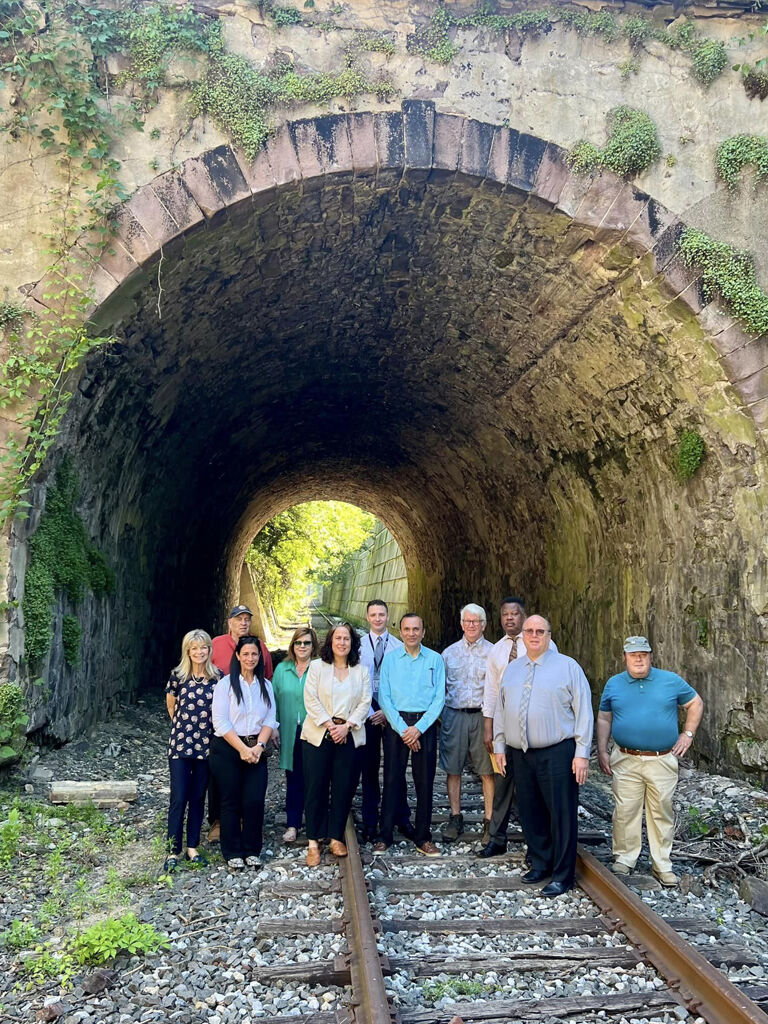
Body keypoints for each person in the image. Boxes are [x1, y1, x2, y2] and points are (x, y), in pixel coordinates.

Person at [493, 615, 593, 896]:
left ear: (549, 635)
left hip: (558, 752)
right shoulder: (512, 669)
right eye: (529, 631)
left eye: (540, 631)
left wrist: (582, 753)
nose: (534, 635)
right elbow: (501, 710)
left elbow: (584, 710)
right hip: (520, 753)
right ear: (522, 635)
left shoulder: (567, 667)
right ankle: (540, 862)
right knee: (530, 811)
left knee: (561, 813)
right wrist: (500, 746)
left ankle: (562, 875)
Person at [597, 636, 704, 887]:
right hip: (625, 758)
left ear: (651, 656)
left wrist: (687, 734)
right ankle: (625, 857)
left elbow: (695, 703)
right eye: (633, 654)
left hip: (662, 759)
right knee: (625, 810)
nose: (638, 659)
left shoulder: (670, 680)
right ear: (624, 657)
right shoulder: (614, 684)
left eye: (643, 654)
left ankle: (662, 864)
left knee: (661, 811)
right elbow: (604, 717)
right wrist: (602, 749)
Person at [480, 596, 557, 857]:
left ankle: (538, 842)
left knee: (533, 788)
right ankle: (496, 838)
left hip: (535, 728)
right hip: (507, 727)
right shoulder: (496, 651)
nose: (509, 618)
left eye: (514, 614)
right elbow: (491, 691)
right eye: (505, 614)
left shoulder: (543, 644)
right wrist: (489, 727)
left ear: (523, 616)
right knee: (503, 784)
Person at [301, 622, 371, 867]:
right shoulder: (317, 667)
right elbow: (310, 698)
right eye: (338, 638)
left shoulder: (360, 671)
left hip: (349, 734)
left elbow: (365, 701)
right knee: (315, 787)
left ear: (352, 643)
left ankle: (334, 836)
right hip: (319, 734)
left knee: (344, 787)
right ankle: (313, 841)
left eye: (346, 639)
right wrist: (331, 726)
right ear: (330, 641)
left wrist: (347, 726)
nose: (342, 642)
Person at [376, 612, 445, 856]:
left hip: (423, 725)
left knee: (424, 782)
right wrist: (403, 729)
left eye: (416, 629)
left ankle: (423, 837)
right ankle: (384, 835)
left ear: (423, 632)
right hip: (398, 726)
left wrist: (419, 729)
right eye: (407, 629)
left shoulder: (435, 660)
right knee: (392, 780)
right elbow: (384, 696)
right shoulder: (391, 659)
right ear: (401, 632)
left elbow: (439, 698)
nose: (412, 633)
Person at [210, 634, 277, 869]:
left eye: (254, 654)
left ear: (260, 657)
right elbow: (220, 721)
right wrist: (242, 749)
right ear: (237, 656)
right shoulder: (225, 684)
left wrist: (258, 747)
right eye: (246, 654)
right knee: (230, 801)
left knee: (255, 800)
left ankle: (252, 849)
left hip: (256, 748)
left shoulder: (265, 686)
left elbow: (270, 718)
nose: (250, 658)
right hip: (228, 748)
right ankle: (232, 851)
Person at [163, 629, 220, 872]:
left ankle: (193, 847)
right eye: (194, 648)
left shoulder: (218, 678)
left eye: (203, 647)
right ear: (188, 651)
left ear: (209, 649)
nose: (199, 652)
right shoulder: (178, 676)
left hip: (206, 747)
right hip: (180, 746)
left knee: (198, 798)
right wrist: (184, 728)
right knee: (179, 797)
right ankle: (172, 850)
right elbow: (171, 706)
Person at [358, 599, 412, 844]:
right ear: (367, 617)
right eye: (373, 614)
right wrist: (370, 711)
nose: (378, 618)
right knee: (368, 769)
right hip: (366, 711)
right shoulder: (358, 646)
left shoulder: (399, 647)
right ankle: (370, 820)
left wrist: (388, 712)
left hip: (393, 712)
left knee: (396, 767)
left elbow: (403, 684)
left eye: (382, 614)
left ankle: (401, 816)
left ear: (388, 616)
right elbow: (355, 682)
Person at [440, 604, 495, 843]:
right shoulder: (448, 654)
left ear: (484, 625)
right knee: (453, 768)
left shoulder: (494, 653)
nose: (472, 625)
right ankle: (455, 816)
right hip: (454, 714)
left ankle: (489, 821)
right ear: (461, 624)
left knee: (487, 770)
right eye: (468, 621)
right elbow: (439, 688)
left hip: (482, 716)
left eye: (477, 621)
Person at [272, 626, 319, 843]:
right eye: (298, 643)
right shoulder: (282, 669)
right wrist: (273, 727)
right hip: (290, 730)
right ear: (293, 645)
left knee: (316, 779)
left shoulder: (320, 668)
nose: (302, 647)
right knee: (293, 778)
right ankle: (293, 824)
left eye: (307, 643)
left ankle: (315, 824)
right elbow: (272, 700)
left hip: (315, 731)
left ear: (313, 645)